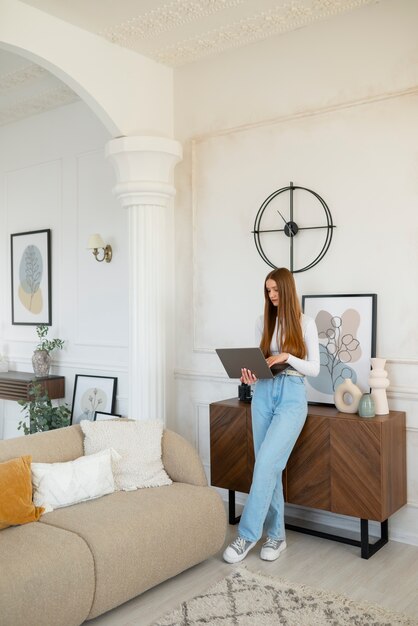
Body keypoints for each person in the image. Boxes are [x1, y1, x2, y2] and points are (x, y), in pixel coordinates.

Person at [223, 267, 320, 564]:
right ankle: (276, 536)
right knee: (269, 466)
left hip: (291, 395)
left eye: (276, 290)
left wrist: (287, 356)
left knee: (266, 462)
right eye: (268, 291)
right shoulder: (261, 322)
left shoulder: (306, 323)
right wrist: (250, 376)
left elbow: (314, 369)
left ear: (288, 290)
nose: (272, 296)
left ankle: (247, 535)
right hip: (262, 393)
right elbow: (259, 363)